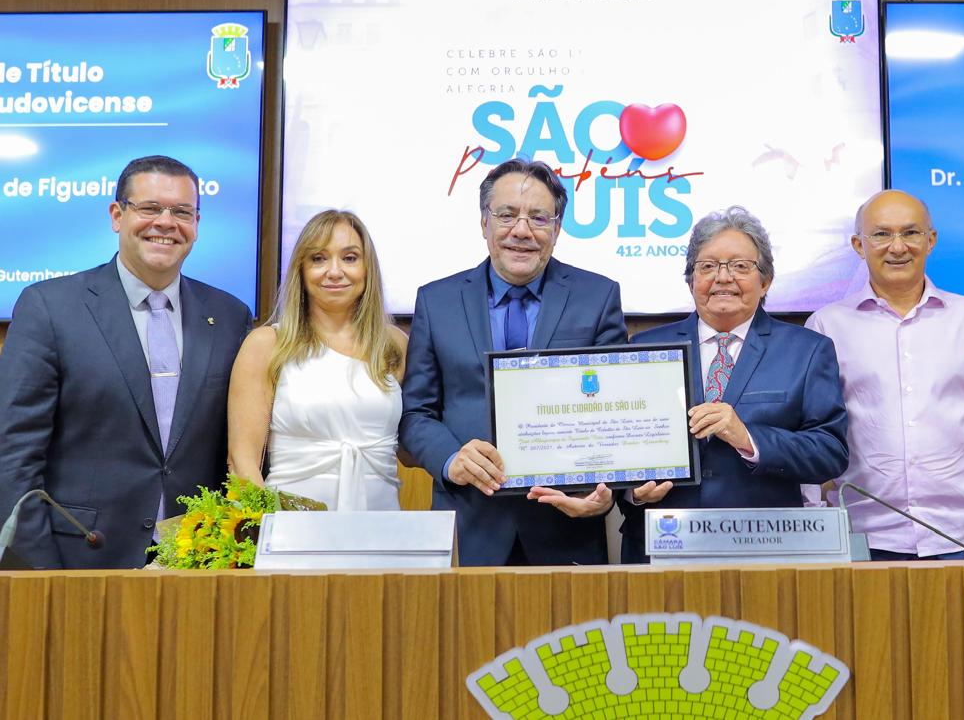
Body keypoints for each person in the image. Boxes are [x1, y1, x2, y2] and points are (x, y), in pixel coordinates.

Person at [0, 156, 252, 568]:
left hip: (196, 566)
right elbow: (14, 454)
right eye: (150, 208)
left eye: (182, 212)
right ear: (117, 215)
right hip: (77, 560)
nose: (166, 223)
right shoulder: (51, 306)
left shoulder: (228, 316)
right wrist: (39, 571)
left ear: (197, 224)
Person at [399, 159, 627, 566]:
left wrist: (606, 489)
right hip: (469, 526)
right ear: (484, 223)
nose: (521, 230)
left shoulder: (598, 297)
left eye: (538, 218)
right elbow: (416, 413)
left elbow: (614, 413)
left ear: (556, 229)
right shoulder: (437, 302)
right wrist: (452, 460)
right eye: (506, 215)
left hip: (565, 528)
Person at [617, 206, 849, 564]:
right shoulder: (644, 350)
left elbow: (830, 452)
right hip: (659, 545)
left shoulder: (806, 350)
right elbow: (616, 446)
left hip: (765, 550)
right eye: (707, 266)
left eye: (740, 266)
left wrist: (749, 438)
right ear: (690, 280)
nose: (723, 278)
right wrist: (633, 491)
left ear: (766, 280)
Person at [804, 190, 964, 560]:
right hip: (863, 540)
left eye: (910, 233)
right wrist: (812, 525)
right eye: (881, 234)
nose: (898, 246)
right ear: (858, 245)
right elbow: (809, 437)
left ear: (931, 240)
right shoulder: (826, 325)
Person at [227, 210, 407, 511]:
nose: (334, 271)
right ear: (301, 268)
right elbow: (242, 462)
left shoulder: (394, 344)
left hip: (381, 527)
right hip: (291, 534)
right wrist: (271, 531)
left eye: (350, 258)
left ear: (367, 268)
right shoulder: (267, 345)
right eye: (319, 259)